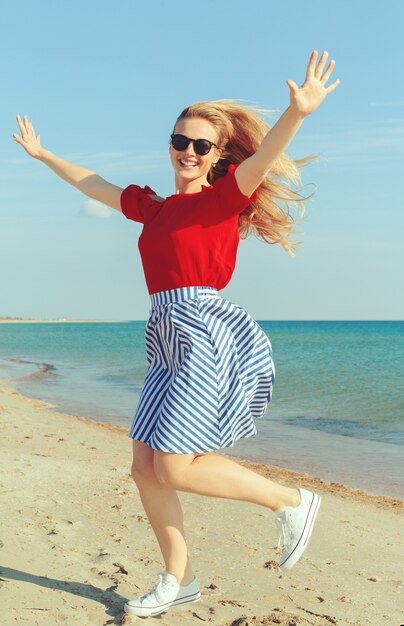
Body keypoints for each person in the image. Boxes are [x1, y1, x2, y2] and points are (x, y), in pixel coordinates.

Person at [13, 50, 339, 618]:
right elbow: (97, 185)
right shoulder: (156, 209)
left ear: (217, 156)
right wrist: (44, 156)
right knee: (144, 468)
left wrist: (298, 113)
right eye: (179, 141)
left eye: (200, 145)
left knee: (173, 466)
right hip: (164, 335)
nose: (187, 152)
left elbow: (266, 155)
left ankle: (291, 500)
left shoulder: (223, 199)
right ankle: (179, 578)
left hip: (204, 330)